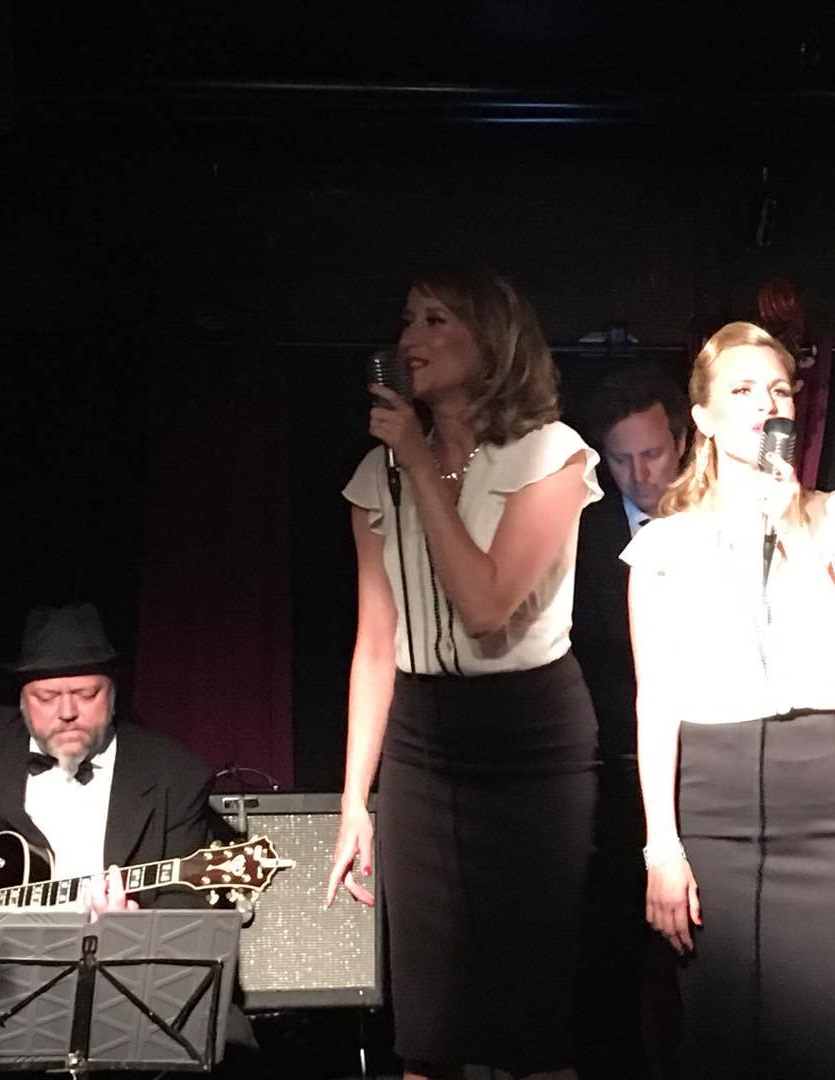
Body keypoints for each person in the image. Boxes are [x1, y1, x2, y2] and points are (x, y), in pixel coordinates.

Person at [325, 269, 602, 1080]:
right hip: (422, 744)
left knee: (531, 1024)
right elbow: (375, 643)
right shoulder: (377, 476)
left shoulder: (549, 453)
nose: (410, 339)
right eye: (407, 320)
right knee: (428, 1028)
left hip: (528, 744)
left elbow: (484, 606)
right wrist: (355, 800)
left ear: (492, 340)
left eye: (435, 320)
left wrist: (416, 457)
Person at [623, 321, 835, 1079]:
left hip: (825, 810)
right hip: (714, 806)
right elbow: (654, 702)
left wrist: (794, 530)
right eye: (742, 390)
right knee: (720, 1047)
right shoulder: (664, 543)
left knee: (833, 1045)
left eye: (778, 391)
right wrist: (661, 848)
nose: (766, 404)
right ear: (701, 417)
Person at [571, 366, 689, 1079]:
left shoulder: (719, 524)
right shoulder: (582, 535)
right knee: (610, 967)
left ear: (682, 443)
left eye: (652, 454)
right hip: (614, 775)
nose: (640, 475)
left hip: (711, 769)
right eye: (621, 460)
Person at [0, 602, 213, 915]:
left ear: (113, 694)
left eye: (86, 694)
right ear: (22, 701)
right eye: (47, 698)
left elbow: (187, 904)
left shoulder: (175, 775)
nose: (67, 713)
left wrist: (131, 929)